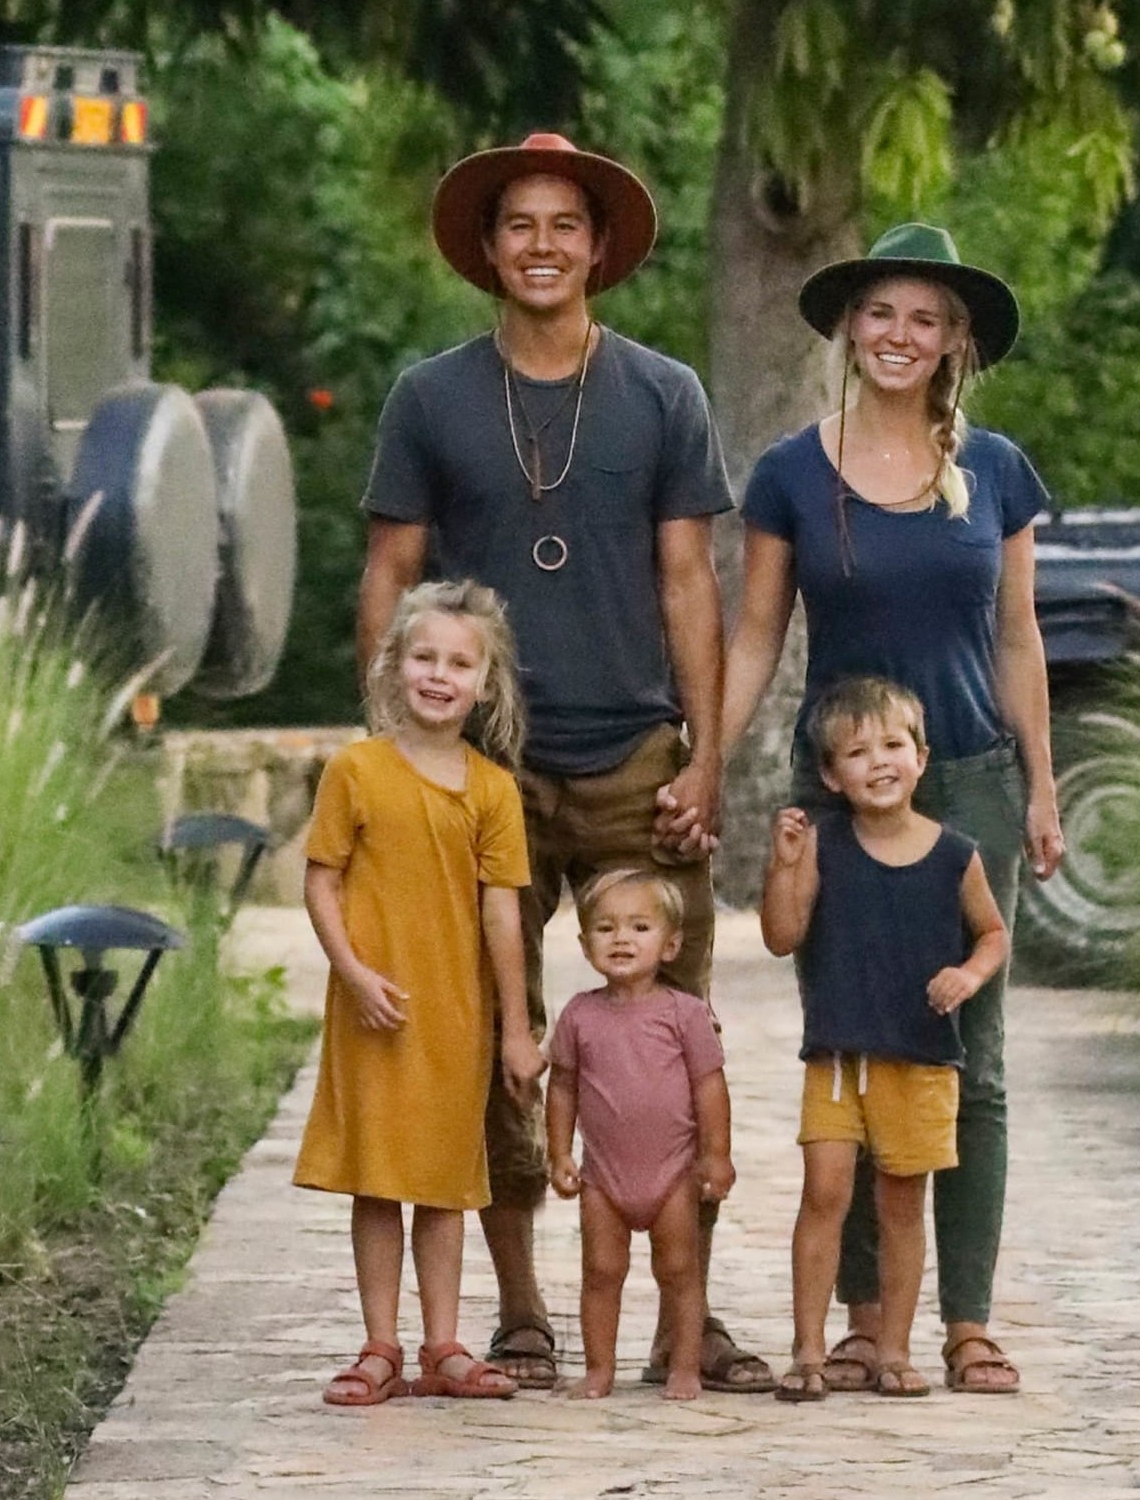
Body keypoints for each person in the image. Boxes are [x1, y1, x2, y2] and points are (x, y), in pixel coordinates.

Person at [355, 134, 772, 1393]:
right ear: (489, 249)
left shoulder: (663, 393)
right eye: (519, 225)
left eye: (564, 225)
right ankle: (524, 1309)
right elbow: (389, 572)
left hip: (636, 751)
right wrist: (397, 751)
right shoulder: (431, 397)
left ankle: (683, 1321)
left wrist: (705, 757)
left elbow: (690, 579)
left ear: (599, 248)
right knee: (497, 1029)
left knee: (670, 1037)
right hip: (481, 767)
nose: (541, 245)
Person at [722, 224, 1065, 1395]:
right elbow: (757, 634)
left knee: (973, 1059)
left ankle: (966, 1319)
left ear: (956, 340)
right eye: (881, 313)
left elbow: (1017, 638)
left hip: (965, 782)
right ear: (848, 327)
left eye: (926, 319)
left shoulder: (999, 472)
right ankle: (869, 1319)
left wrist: (1042, 784)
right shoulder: (790, 474)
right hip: (841, 797)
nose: (900, 335)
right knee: (858, 1051)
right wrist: (706, 764)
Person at [294, 579, 547, 1405]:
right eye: (424, 657)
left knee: (444, 1183)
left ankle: (444, 1345)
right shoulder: (355, 771)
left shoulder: (492, 790)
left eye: (460, 663)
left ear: (487, 682)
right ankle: (380, 1345)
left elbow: (503, 915)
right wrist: (353, 973)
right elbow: (322, 882)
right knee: (378, 1180)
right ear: (393, 665)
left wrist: (516, 1029)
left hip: (454, 1019)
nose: (439, 675)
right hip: (373, 1010)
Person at [761, 677, 1009, 1400]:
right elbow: (782, 935)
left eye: (894, 745)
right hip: (839, 1058)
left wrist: (968, 975)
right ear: (830, 776)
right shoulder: (823, 845)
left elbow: (993, 933)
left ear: (922, 759)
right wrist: (782, 865)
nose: (879, 762)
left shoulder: (955, 854)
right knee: (825, 1192)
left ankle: (895, 1351)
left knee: (902, 1205)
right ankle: (809, 1350)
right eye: (857, 752)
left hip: (921, 1058)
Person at [546, 869, 736, 1401]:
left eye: (639, 927)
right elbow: (561, 1087)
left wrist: (716, 1155)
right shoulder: (579, 1015)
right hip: (603, 1177)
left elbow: (710, 1087)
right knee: (600, 1271)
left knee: (679, 1270)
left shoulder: (685, 1014)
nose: (621, 939)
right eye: (605, 928)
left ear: (670, 945)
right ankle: (599, 1369)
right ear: (585, 945)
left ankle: (684, 1367)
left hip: (672, 1173)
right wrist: (559, 1152)